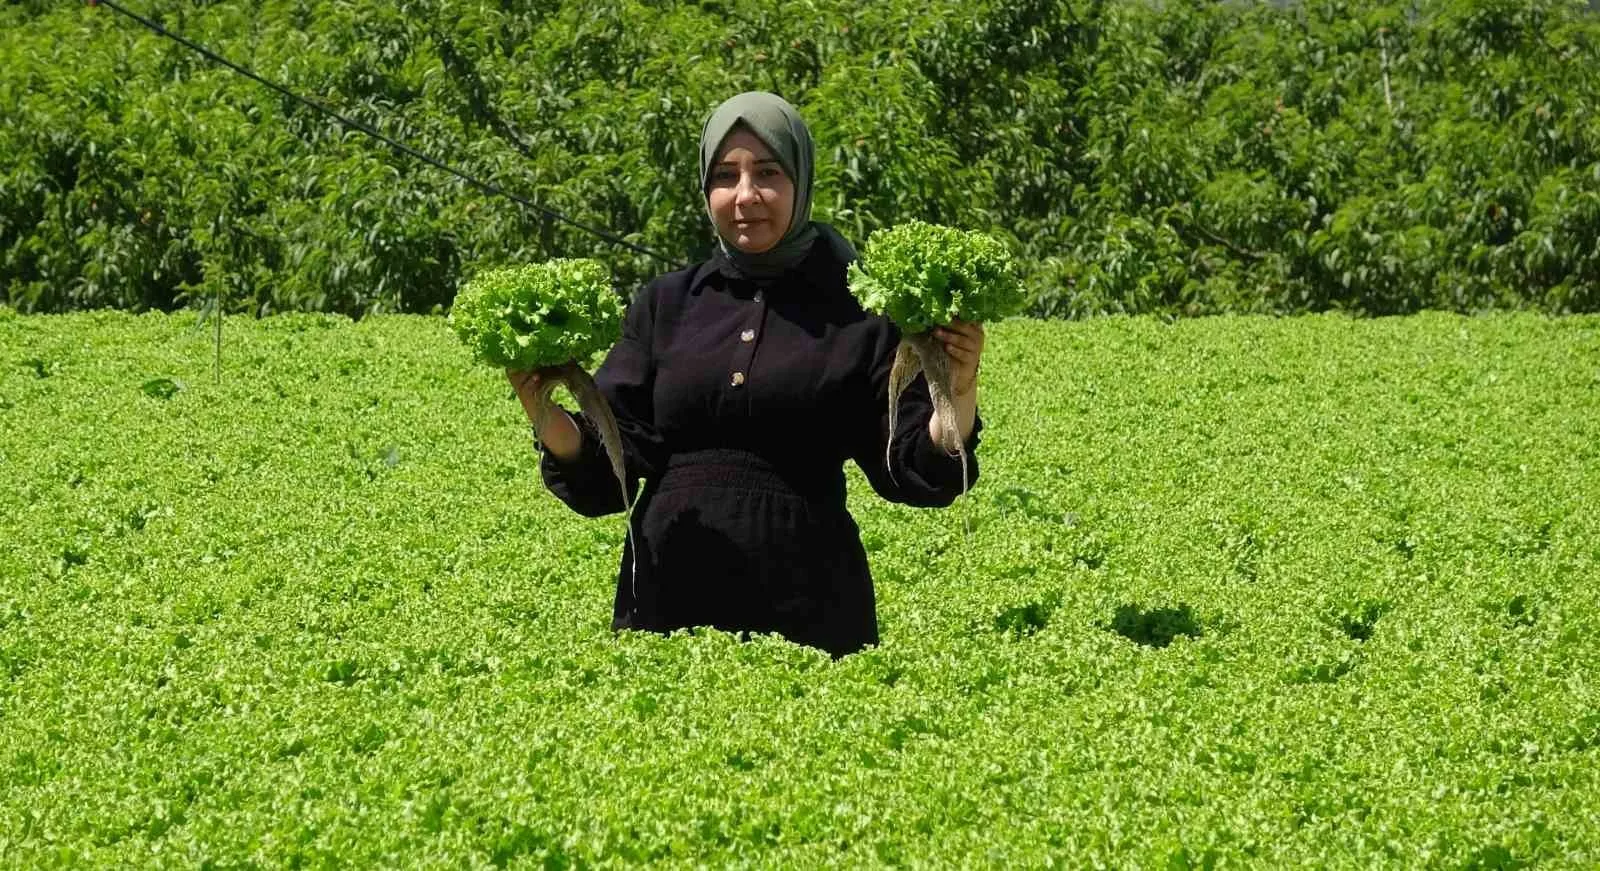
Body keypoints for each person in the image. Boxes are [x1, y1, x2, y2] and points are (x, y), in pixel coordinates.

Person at [505, 92, 987, 658]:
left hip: (809, 603)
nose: (745, 196)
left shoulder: (859, 308)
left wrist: (957, 389)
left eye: (767, 173)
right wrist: (545, 412)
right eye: (725, 176)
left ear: (801, 180)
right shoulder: (667, 303)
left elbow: (909, 467)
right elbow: (612, 461)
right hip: (667, 596)